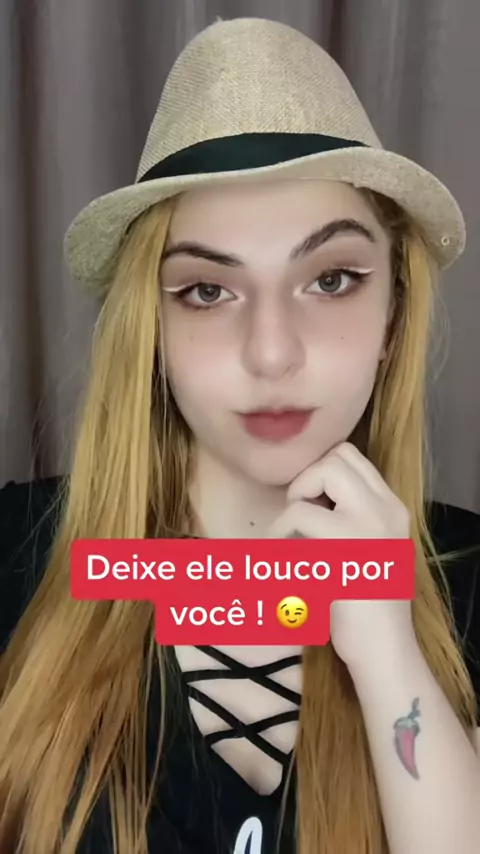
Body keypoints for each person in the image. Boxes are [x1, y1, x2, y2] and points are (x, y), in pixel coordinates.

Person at [1, 16, 480, 854]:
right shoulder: (13, 555)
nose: (271, 354)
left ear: (395, 315)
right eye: (207, 291)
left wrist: (388, 652)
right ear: (151, 328)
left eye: (331, 279)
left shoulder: (469, 584)